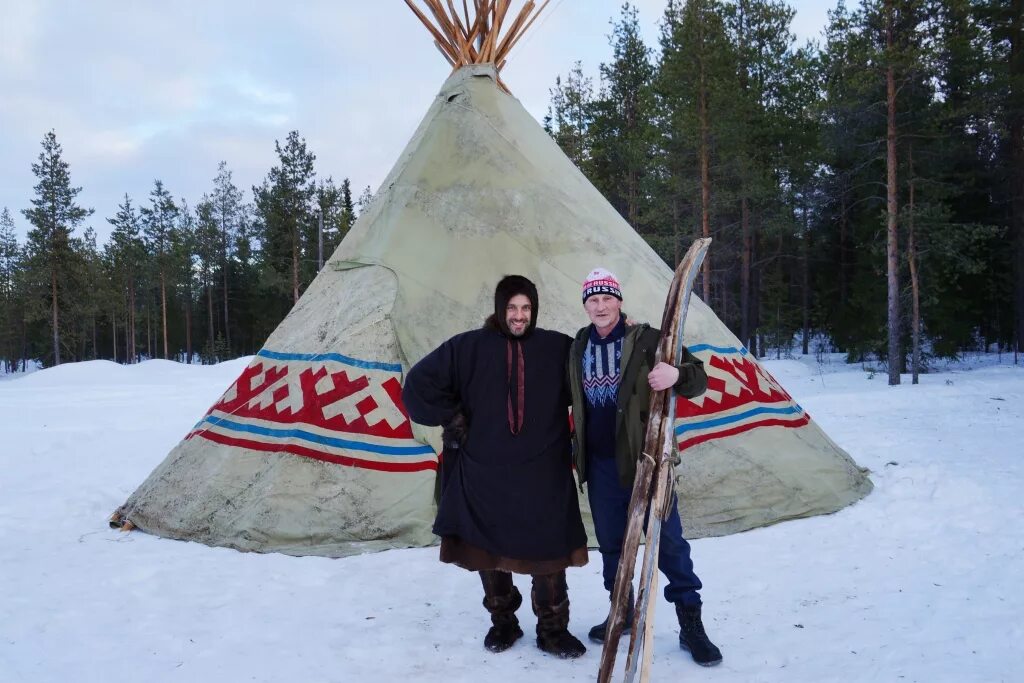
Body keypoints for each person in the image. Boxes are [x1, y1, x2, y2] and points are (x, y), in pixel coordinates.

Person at [401, 274, 589, 659]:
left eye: (526, 308)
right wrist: (451, 417)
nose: (519, 316)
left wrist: (630, 334)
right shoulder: (467, 348)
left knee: (549, 549)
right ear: (500, 309)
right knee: (488, 549)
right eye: (512, 308)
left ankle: (553, 629)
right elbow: (418, 384)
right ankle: (503, 622)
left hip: (543, 474)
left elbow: (600, 367)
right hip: (484, 471)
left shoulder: (557, 347)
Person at [567, 267, 723, 667]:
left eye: (606, 298)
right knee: (612, 544)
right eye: (592, 300)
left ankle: (691, 623)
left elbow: (699, 379)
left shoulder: (650, 339)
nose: (600, 306)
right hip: (600, 466)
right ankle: (623, 611)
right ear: (585, 305)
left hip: (647, 460)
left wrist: (677, 374)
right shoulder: (578, 345)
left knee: (669, 542)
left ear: (619, 301)